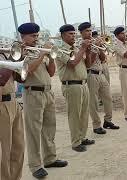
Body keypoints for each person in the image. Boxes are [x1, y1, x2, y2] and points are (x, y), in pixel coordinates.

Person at [18, 23, 68, 179]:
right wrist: (41, 55)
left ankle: (50, 158)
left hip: (47, 92)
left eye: (37, 35)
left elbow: (51, 73)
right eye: (33, 36)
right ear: (23, 37)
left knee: (49, 127)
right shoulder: (20, 52)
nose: (36, 38)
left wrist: (50, 57)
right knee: (33, 131)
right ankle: (35, 165)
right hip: (32, 94)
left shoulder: (39, 50)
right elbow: (27, 71)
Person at [55, 24, 95, 152]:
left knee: (84, 113)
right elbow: (72, 63)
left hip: (83, 84)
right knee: (74, 115)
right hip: (71, 85)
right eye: (70, 34)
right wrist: (83, 48)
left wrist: (87, 52)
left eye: (74, 33)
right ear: (62, 36)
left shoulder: (77, 48)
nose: (73, 36)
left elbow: (88, 65)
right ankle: (75, 142)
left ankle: (82, 137)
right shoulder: (59, 49)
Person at [79, 24, 120, 135]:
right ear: (81, 33)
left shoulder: (93, 43)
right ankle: (96, 125)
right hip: (91, 74)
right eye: (87, 31)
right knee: (93, 102)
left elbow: (102, 59)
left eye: (90, 30)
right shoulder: (81, 45)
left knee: (108, 98)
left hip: (101, 73)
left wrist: (100, 47)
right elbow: (88, 63)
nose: (90, 33)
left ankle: (108, 121)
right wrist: (94, 48)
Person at [0, 60, 24, 180]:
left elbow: (22, 79)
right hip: (2, 104)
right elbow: (2, 80)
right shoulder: (6, 57)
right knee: (4, 150)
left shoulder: (4, 56)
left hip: (14, 102)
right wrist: (10, 60)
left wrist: (19, 59)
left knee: (18, 147)